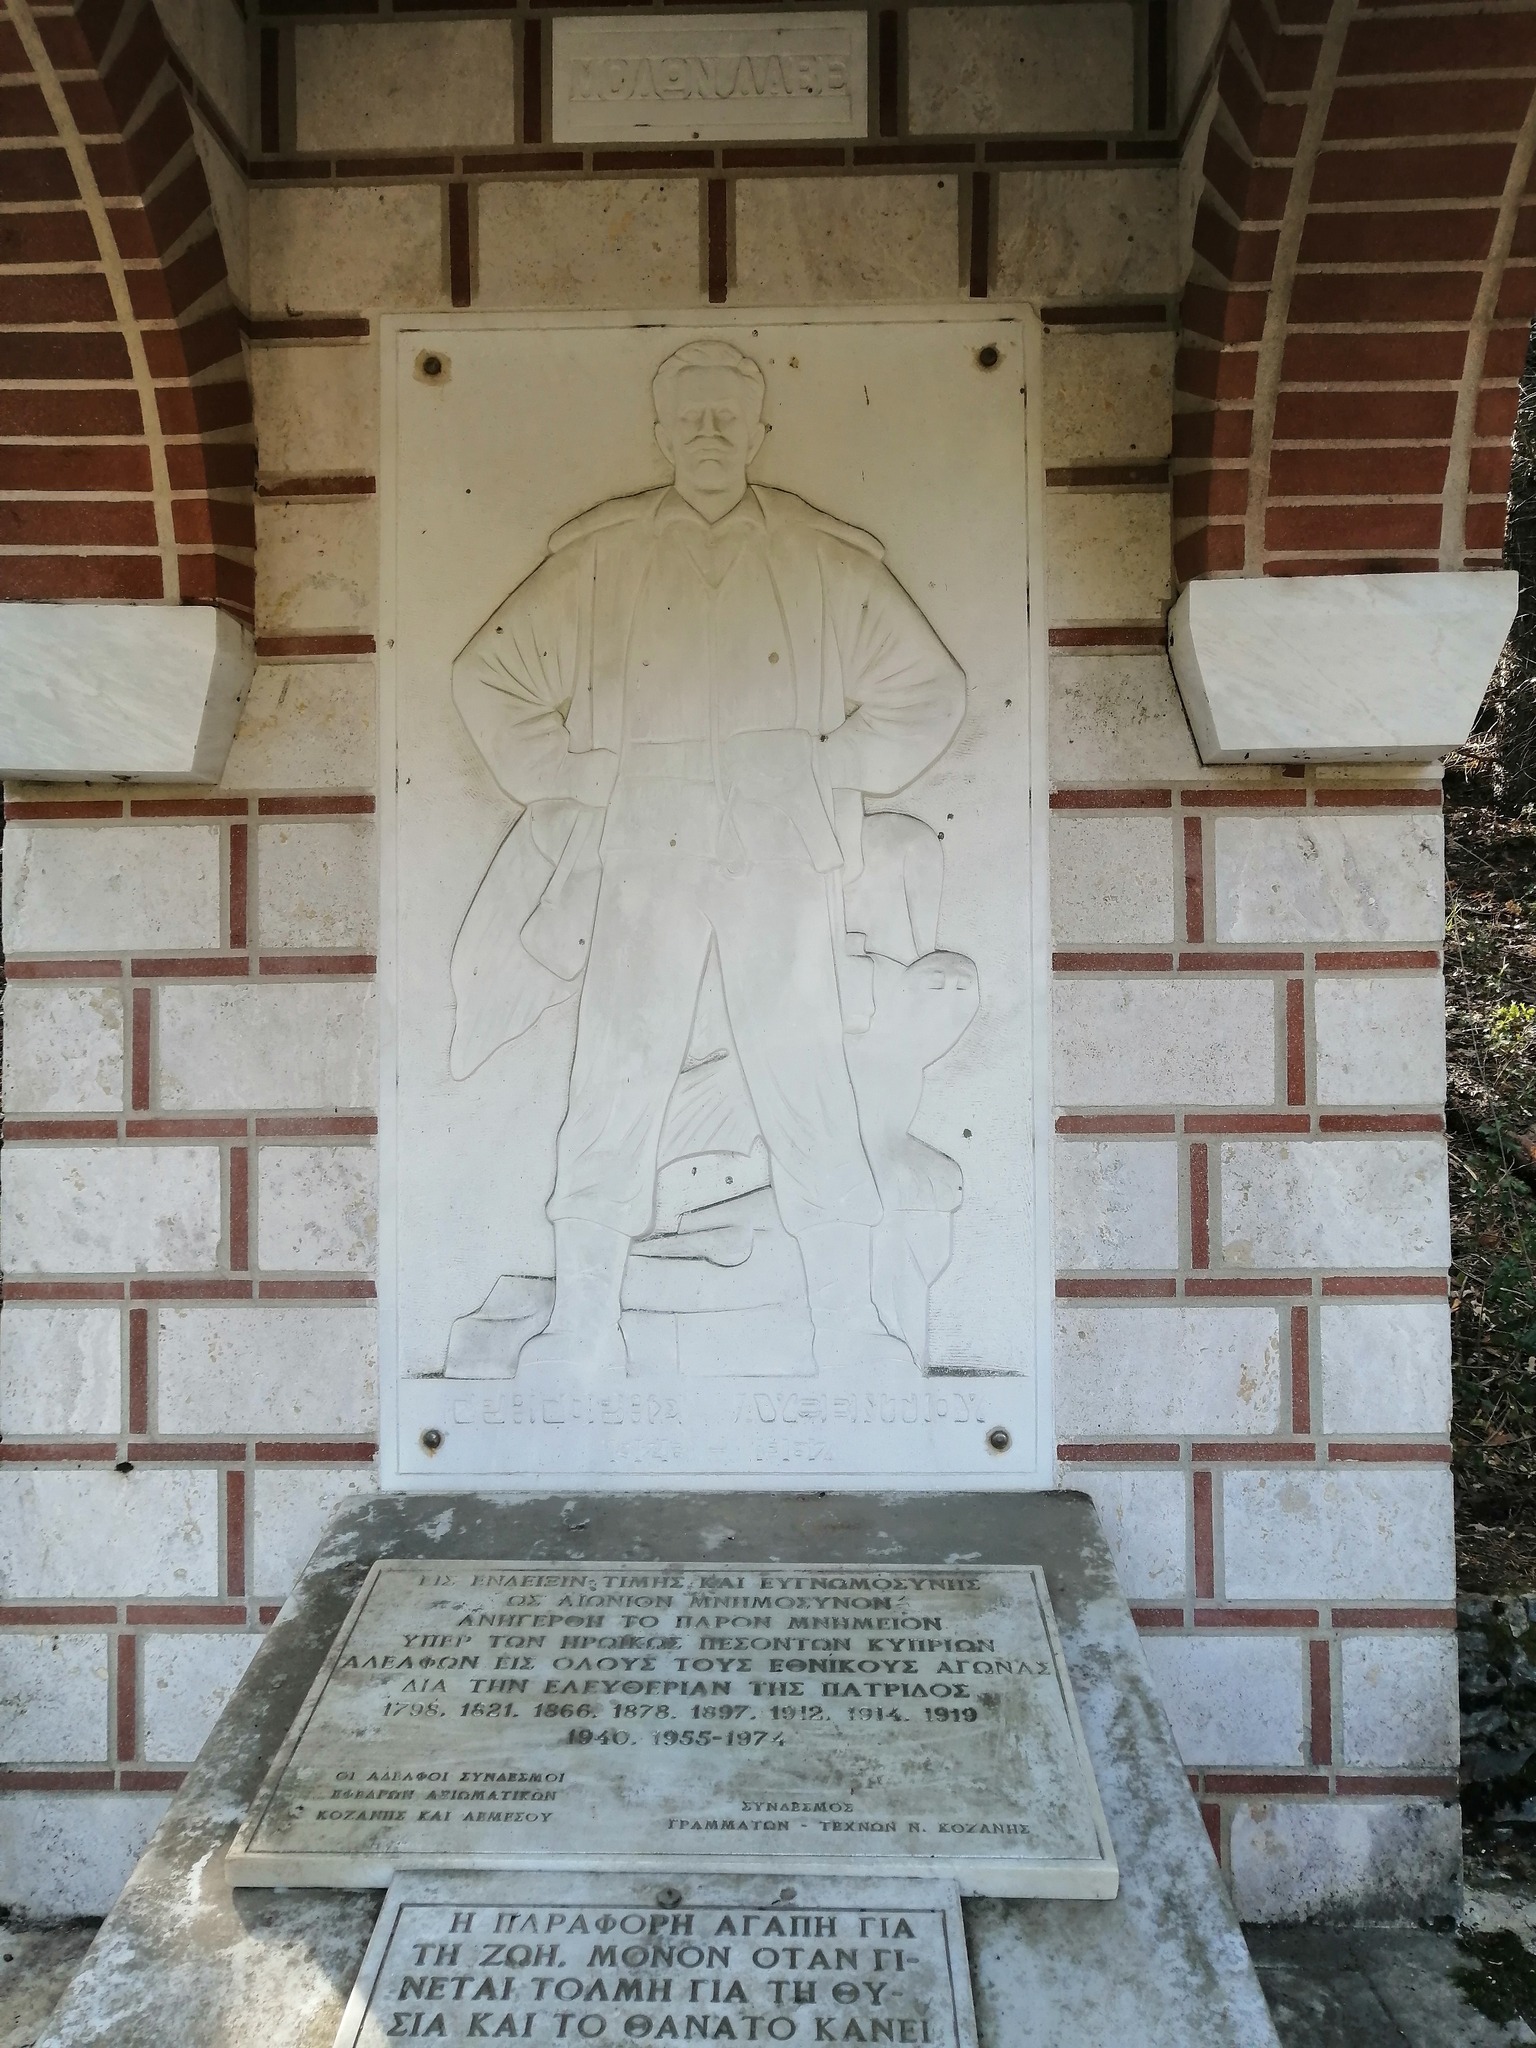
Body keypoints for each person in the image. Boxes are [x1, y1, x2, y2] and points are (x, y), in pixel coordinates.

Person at [452, 339, 965, 1374]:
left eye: (729, 417)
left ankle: (847, 1329)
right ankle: (584, 1328)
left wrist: (830, 766)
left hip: (782, 860)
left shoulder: (822, 558)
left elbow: (931, 691)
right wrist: (577, 774)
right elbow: (487, 675)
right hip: (645, 858)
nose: (710, 436)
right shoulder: (603, 558)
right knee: (614, 1083)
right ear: (660, 432)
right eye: (690, 419)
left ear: (761, 429)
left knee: (809, 1085)